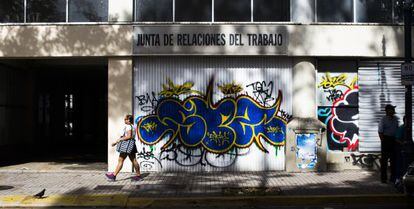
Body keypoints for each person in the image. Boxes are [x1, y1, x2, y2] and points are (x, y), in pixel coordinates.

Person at [105, 114, 142, 181]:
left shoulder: (128, 126)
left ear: (129, 120)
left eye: (125, 119)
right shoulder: (133, 126)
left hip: (127, 146)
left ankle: (113, 176)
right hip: (132, 145)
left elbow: (129, 136)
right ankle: (138, 176)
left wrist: (118, 140)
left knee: (121, 160)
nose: (124, 120)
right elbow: (131, 136)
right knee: (134, 160)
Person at [378, 104, 399, 183]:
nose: (393, 111)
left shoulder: (395, 119)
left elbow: (397, 129)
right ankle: (384, 179)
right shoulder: (383, 120)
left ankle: (393, 178)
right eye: (391, 109)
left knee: (394, 160)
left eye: (393, 109)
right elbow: (380, 132)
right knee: (384, 161)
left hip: (394, 140)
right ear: (387, 111)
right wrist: (383, 142)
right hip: (386, 140)